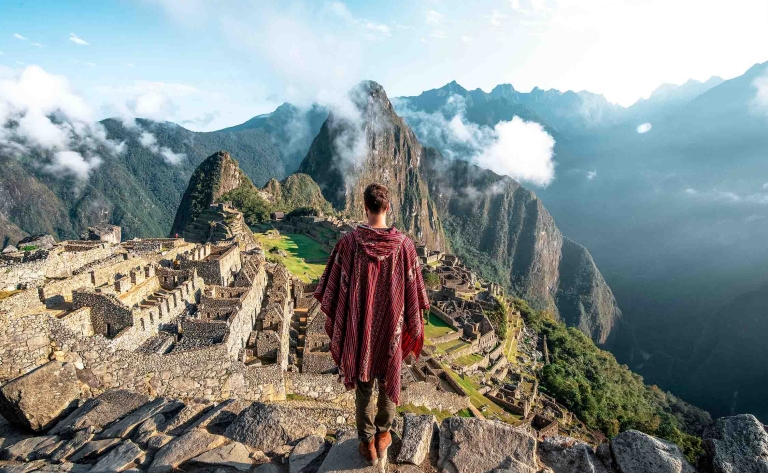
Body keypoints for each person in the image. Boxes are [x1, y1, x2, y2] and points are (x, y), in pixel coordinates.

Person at [313, 183, 429, 466]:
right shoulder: (405, 247)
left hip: (359, 330)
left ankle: (366, 443)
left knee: (364, 386)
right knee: (390, 379)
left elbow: (332, 290)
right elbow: (414, 293)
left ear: (364, 206)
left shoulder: (348, 244)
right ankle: (383, 434)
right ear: (387, 208)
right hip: (392, 329)